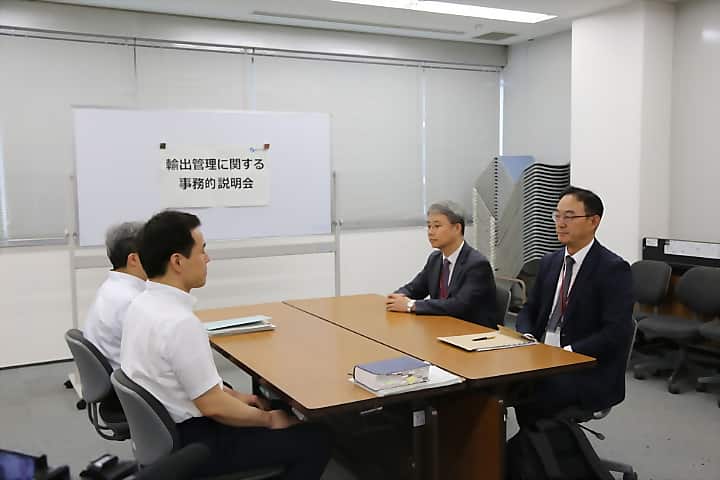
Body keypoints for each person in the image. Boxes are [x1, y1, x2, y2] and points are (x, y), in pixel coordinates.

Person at [120, 210, 329, 479]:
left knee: (263, 404)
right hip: (195, 445)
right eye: (202, 251)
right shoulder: (179, 323)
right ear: (178, 261)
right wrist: (268, 420)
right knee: (317, 438)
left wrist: (242, 399)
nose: (207, 259)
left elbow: (197, 386)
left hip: (165, 431)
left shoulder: (141, 305)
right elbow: (213, 406)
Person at [514, 186, 634, 426]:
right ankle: (534, 444)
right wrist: (528, 336)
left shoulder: (612, 269)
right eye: (557, 216)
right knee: (500, 384)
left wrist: (567, 352)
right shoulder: (550, 262)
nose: (560, 223)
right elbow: (530, 308)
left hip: (584, 365)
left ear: (593, 221)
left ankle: (543, 445)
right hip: (542, 354)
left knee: (533, 393)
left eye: (569, 217)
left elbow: (615, 332)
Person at [386, 201, 497, 327]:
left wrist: (411, 305)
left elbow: (459, 305)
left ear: (457, 228)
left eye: (437, 226)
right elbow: (414, 288)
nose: (430, 232)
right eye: (429, 226)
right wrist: (396, 297)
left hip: (474, 331)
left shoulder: (477, 264)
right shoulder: (435, 259)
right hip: (443, 327)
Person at [84, 221, 146, 370]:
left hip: (113, 372)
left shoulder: (110, 288)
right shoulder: (132, 300)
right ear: (133, 259)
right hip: (128, 376)